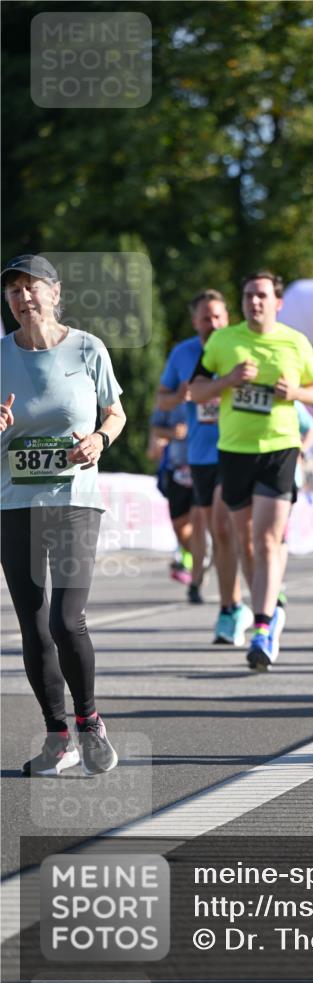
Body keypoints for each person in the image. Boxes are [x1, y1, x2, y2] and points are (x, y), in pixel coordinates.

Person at [0, 254, 126, 776]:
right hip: (15, 502)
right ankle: (58, 738)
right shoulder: (0, 354)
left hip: (74, 500)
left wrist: (99, 439)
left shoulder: (87, 348)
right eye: (13, 291)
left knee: (65, 618)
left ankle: (89, 721)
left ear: (55, 293)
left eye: (32, 288)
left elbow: (115, 412)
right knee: (32, 624)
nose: (22, 297)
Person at [190, 270, 313, 670]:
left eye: (263, 296)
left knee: (267, 539)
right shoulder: (222, 340)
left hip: (279, 449)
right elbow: (195, 391)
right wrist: (228, 380)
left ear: (277, 303)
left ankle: (264, 627)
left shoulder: (294, 342)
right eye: (249, 295)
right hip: (233, 451)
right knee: (243, 539)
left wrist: (296, 393)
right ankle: (269, 605)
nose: (255, 302)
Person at [157, 289, 252, 644]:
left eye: (217, 317)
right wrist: (183, 394)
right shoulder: (182, 353)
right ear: (195, 321)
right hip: (200, 454)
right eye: (204, 318)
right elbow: (161, 399)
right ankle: (233, 605)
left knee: (226, 525)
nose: (212, 323)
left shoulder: (241, 345)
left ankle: (252, 600)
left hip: (238, 447)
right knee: (221, 532)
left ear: (227, 318)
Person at [149, 402, 195, 586]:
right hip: (178, 470)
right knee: (181, 526)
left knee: (200, 520)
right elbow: (153, 446)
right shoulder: (170, 397)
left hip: (206, 467)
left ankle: (193, 566)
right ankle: (198, 555)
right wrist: (171, 434)